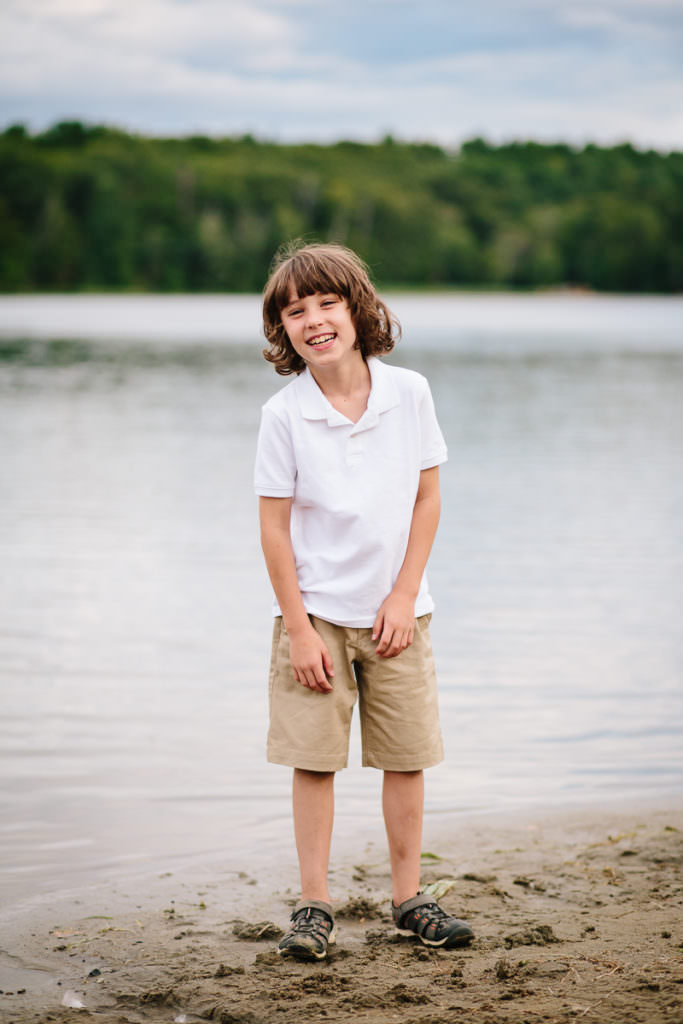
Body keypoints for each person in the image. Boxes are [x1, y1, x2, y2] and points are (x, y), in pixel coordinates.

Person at [254, 241, 474, 961]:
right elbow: (274, 528)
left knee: (403, 756)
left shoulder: (408, 393)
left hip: (397, 610)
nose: (314, 320)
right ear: (282, 329)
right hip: (313, 614)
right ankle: (313, 906)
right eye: (296, 310)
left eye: (328, 303)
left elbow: (427, 497)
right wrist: (299, 630)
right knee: (313, 760)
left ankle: (409, 898)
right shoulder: (282, 414)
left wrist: (405, 594)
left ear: (358, 310)